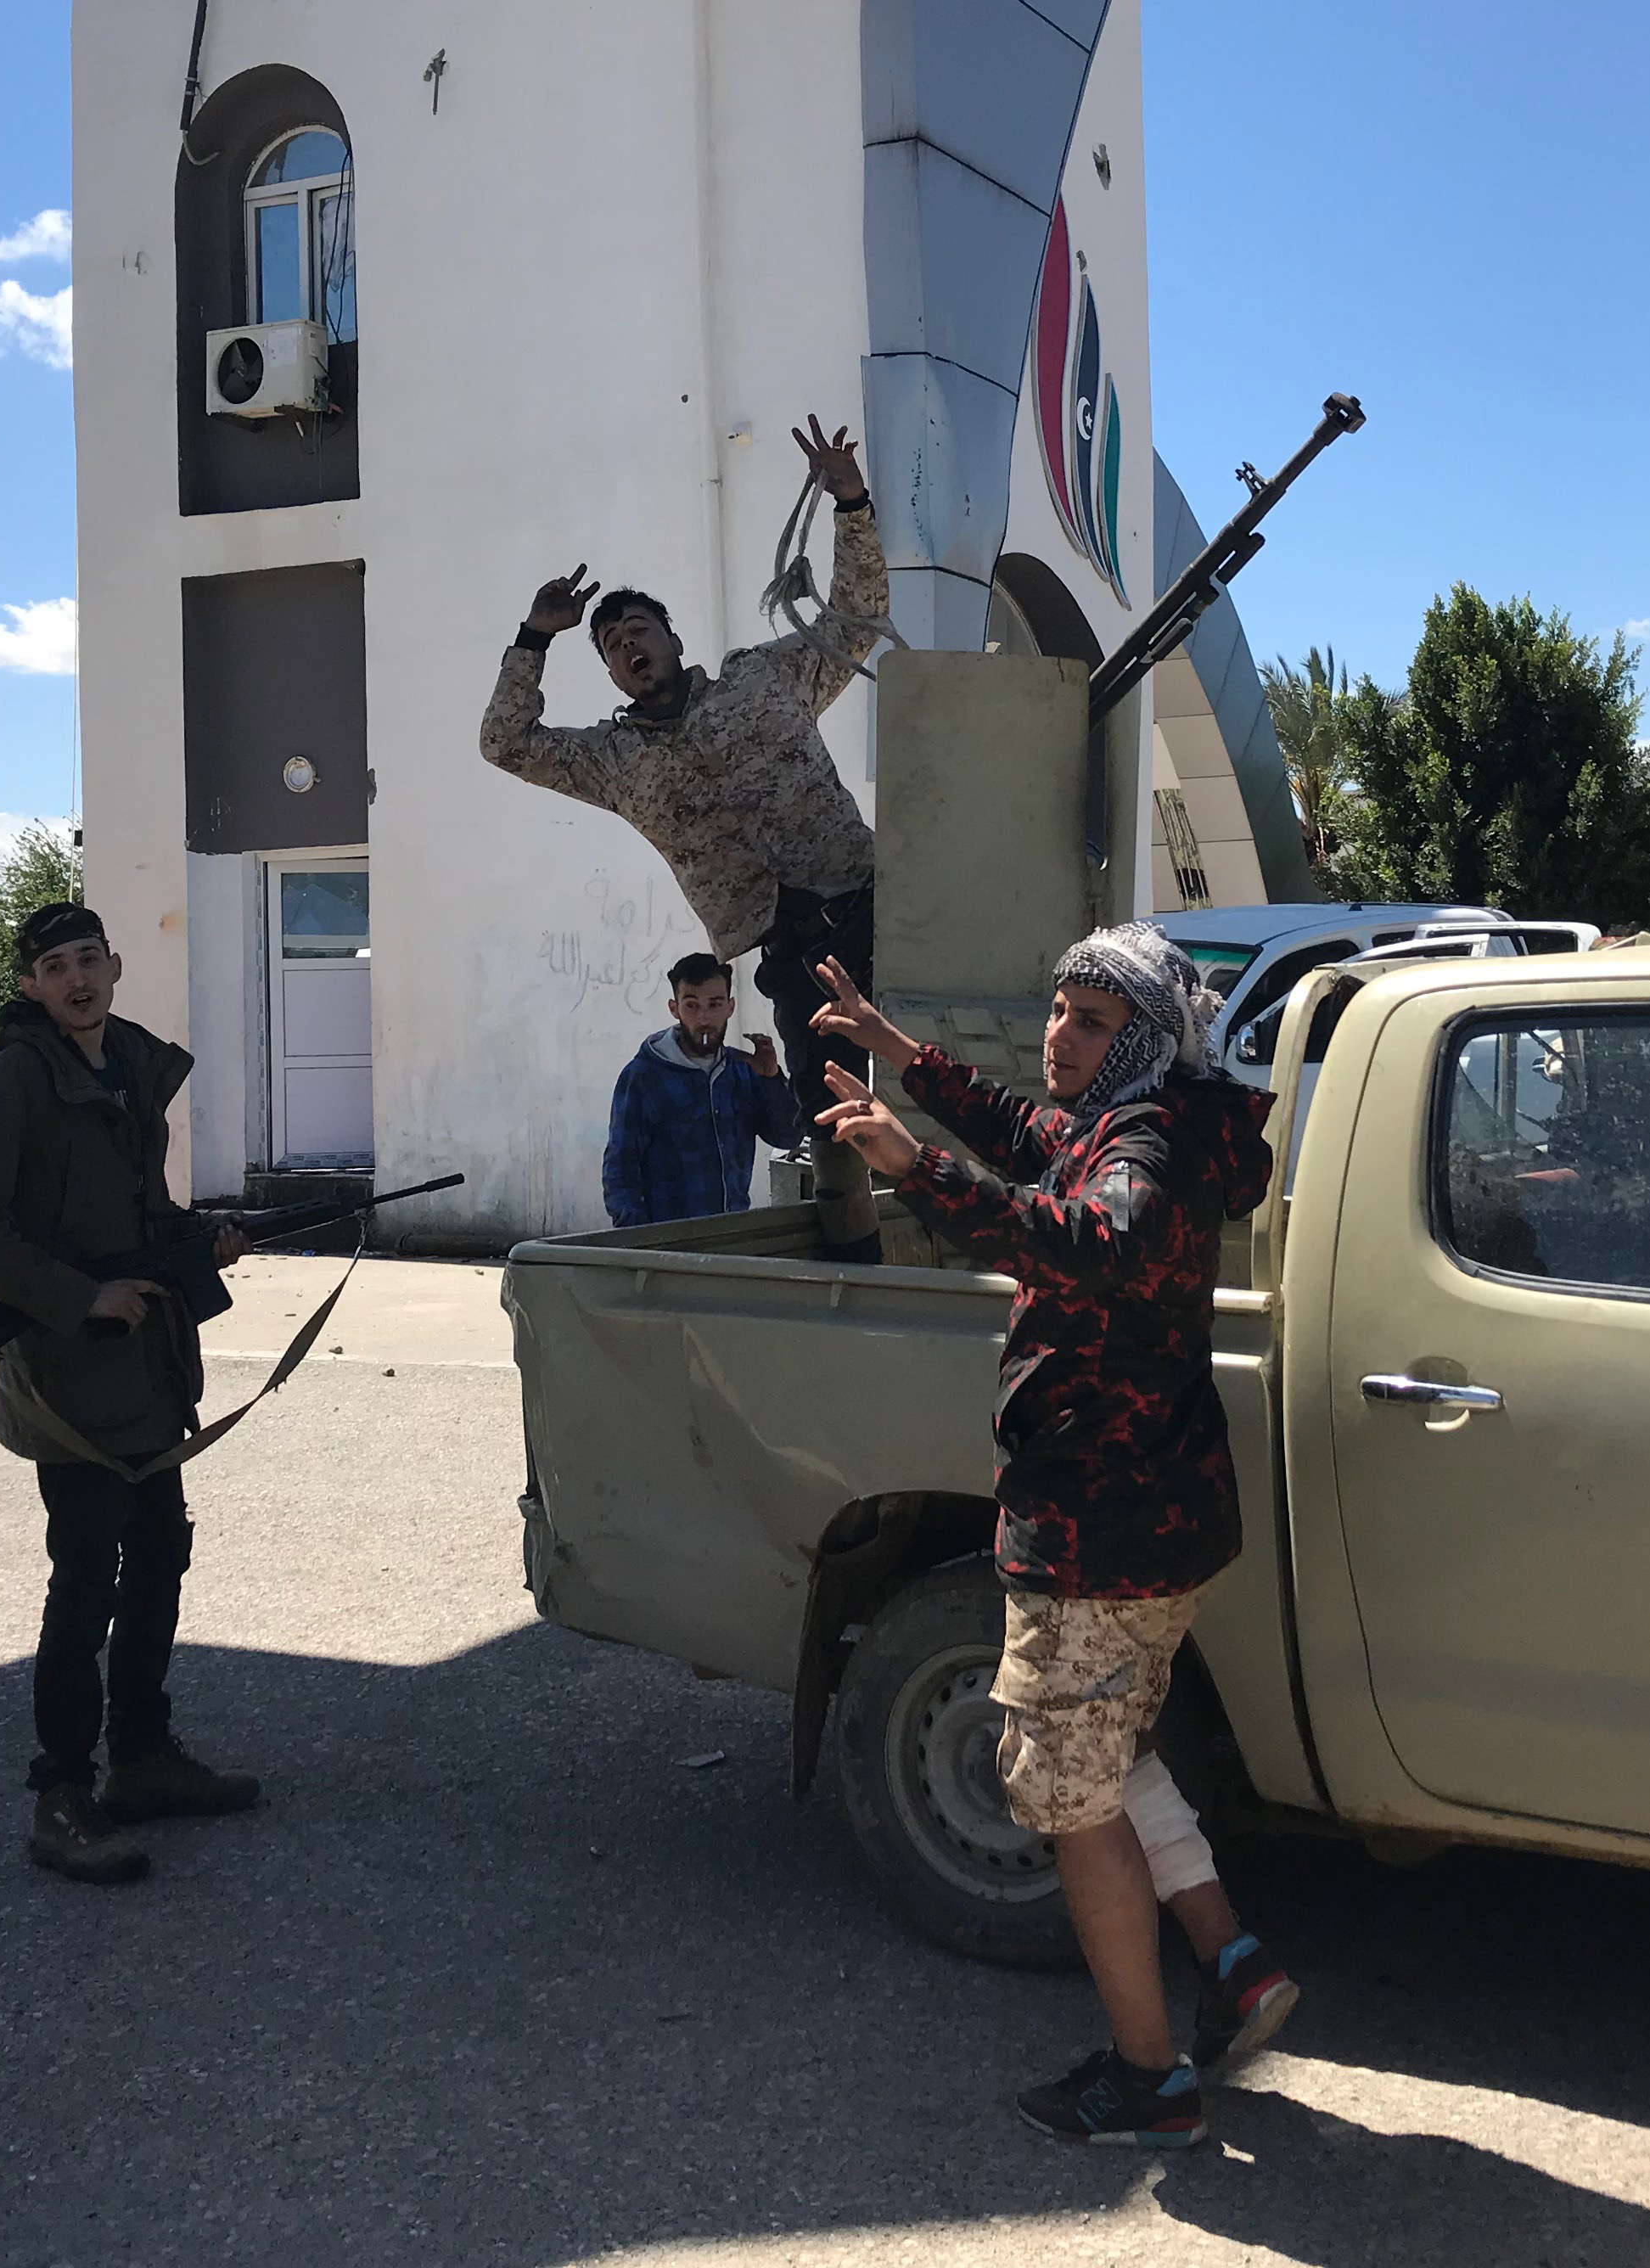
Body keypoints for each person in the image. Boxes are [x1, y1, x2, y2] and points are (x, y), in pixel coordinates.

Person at [810, 925, 1300, 2148]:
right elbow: (1035, 1141)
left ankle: (1150, 2079)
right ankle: (1229, 1961)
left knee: (1076, 1804)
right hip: (1149, 1517)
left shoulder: (1147, 1142)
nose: (1058, 1036)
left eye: (1088, 1021)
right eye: (1057, 1008)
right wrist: (898, 1052)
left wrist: (913, 1170)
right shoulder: (1145, 1112)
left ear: (1136, 1038)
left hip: (1099, 1529)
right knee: (1116, 1755)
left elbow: (1090, 1241)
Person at [480, 415, 889, 1261]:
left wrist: (850, 501)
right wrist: (533, 638)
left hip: (872, 910)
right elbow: (505, 743)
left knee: (931, 1076)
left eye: (638, 631)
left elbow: (854, 620)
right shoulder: (612, 760)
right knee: (832, 1114)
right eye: (612, 644)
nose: (627, 646)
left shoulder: (764, 677)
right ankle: (860, 1265)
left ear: (674, 641)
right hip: (788, 950)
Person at [0, 904, 264, 1888]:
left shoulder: (127, 1065)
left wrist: (200, 1237)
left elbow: (138, 1211)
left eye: (87, 960)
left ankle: (144, 1758)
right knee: (85, 1582)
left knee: (159, 1553)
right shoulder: (21, 1075)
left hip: (145, 1370)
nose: (75, 979)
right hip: (71, 1376)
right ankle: (62, 1793)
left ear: (114, 965)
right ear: (30, 985)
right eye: (52, 967)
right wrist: (79, 1296)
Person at [604, 951, 802, 1227]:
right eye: (692, 1006)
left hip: (730, 1239)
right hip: (668, 1245)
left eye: (714, 1004)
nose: (704, 1018)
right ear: (675, 1009)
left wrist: (771, 1077)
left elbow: (789, 1137)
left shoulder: (743, 1070)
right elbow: (620, 1170)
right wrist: (639, 1240)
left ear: (730, 1007)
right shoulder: (644, 1077)